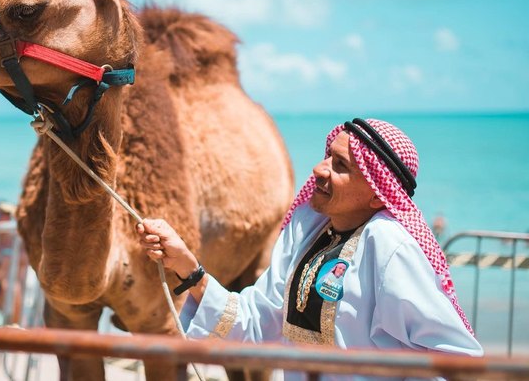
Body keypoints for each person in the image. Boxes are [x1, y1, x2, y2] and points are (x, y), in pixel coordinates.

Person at [137, 118, 482, 371]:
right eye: (327, 156)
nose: (319, 169)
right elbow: (258, 322)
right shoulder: (308, 229)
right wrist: (187, 267)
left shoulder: (389, 246)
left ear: (379, 193)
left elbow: (455, 359)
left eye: (341, 166)